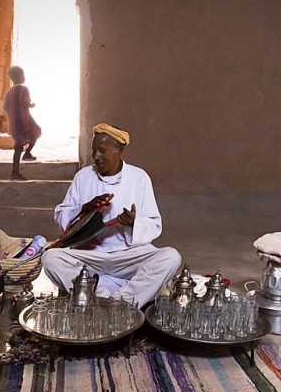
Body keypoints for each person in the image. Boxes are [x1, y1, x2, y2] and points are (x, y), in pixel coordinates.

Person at [42, 123, 182, 308]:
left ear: (120, 150)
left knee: (171, 257)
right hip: (90, 254)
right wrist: (84, 208)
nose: (96, 156)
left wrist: (134, 223)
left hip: (128, 256)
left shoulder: (139, 177)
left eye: (102, 151)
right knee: (50, 258)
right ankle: (98, 298)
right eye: (93, 151)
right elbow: (61, 214)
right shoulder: (83, 176)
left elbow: (154, 224)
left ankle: (122, 303)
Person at [2, 66, 41, 180]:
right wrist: (31, 105)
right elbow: (25, 103)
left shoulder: (9, 91)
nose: (24, 77)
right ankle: (17, 169)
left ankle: (23, 159)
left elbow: (4, 107)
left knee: (18, 146)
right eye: (23, 75)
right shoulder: (24, 89)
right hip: (25, 121)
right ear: (20, 76)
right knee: (36, 132)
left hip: (14, 123)